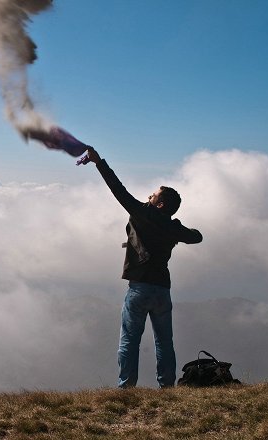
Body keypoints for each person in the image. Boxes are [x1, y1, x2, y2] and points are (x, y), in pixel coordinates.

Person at [79, 147, 203, 388]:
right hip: (162, 291)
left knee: (129, 341)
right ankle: (167, 387)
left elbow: (118, 189)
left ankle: (126, 388)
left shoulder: (141, 214)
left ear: (159, 205)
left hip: (138, 290)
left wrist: (98, 161)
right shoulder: (171, 226)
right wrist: (176, 227)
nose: (148, 197)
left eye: (152, 196)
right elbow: (197, 237)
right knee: (164, 343)